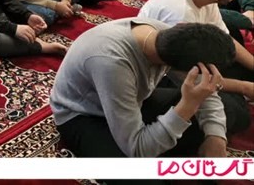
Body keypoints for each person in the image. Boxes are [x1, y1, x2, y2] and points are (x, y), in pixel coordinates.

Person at [51, 19, 237, 157]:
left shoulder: (170, 38)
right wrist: (189, 105)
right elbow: (138, 149)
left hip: (131, 98)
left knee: (230, 110)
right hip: (83, 114)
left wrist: (215, 136)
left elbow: (206, 91)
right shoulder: (111, 62)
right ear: (187, 71)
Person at [139, 0, 253, 103]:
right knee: (232, 107)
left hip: (190, 55)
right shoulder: (180, 14)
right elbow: (181, 74)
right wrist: (244, 88)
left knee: (238, 57)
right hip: (162, 73)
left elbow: (225, 38)